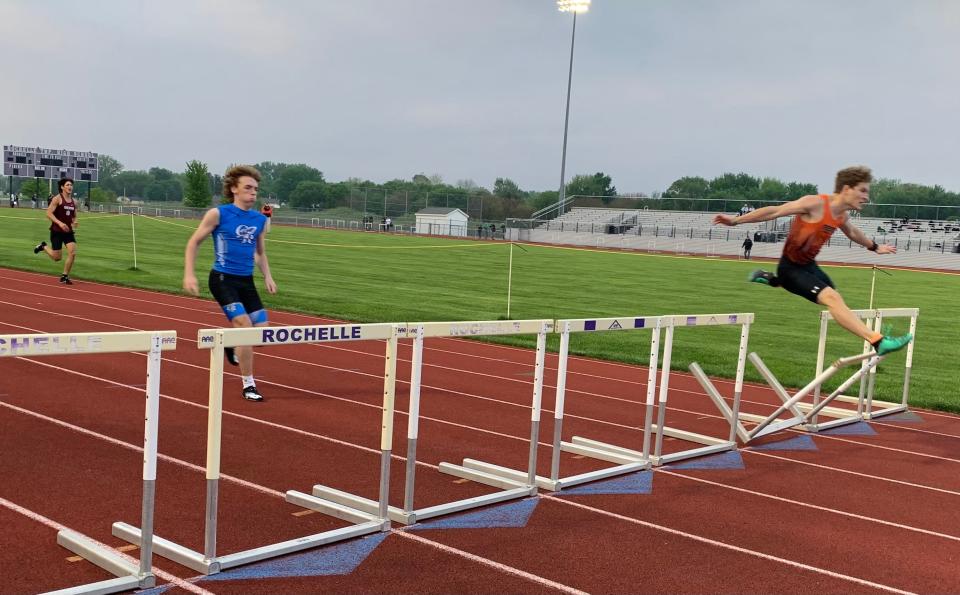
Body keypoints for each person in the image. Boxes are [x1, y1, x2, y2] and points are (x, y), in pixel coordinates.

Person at [713, 165, 912, 356]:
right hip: (790, 268)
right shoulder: (815, 203)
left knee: (834, 296)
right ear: (846, 189)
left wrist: (875, 247)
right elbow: (774, 211)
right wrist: (735, 220)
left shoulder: (841, 215)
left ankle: (771, 280)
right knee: (832, 299)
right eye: (862, 191)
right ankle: (878, 341)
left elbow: (852, 232)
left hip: (809, 266)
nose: (866, 197)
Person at [183, 165, 277, 402]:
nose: (253, 193)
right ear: (234, 189)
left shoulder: (259, 220)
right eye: (247, 188)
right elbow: (193, 242)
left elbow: (260, 253)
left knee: (262, 335)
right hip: (223, 278)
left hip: (246, 281)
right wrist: (189, 274)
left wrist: (267, 276)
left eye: (255, 189)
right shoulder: (218, 214)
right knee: (244, 326)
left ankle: (230, 344)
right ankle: (249, 384)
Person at [33, 178, 79, 285]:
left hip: (68, 231)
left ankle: (64, 276)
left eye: (71, 185)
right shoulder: (57, 199)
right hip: (57, 231)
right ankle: (43, 247)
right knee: (57, 257)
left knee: (72, 253)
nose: (70, 187)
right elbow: (48, 213)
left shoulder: (74, 202)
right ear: (62, 187)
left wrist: (75, 221)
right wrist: (60, 223)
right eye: (67, 185)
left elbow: (74, 215)